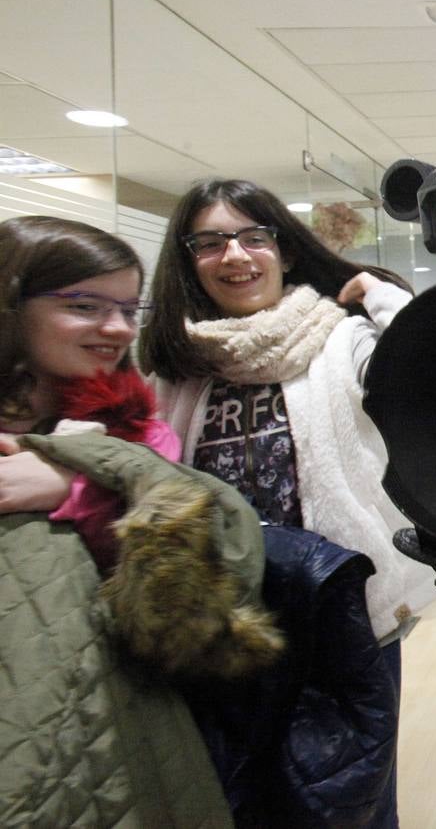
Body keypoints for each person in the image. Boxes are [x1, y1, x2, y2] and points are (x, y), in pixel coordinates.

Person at [137, 179, 436, 824]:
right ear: (188, 260)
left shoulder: (342, 340)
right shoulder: (180, 367)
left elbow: (428, 365)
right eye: (211, 243)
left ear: (286, 250)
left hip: (344, 613)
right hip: (222, 620)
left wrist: (383, 296)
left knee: (352, 798)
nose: (236, 256)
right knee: (240, 795)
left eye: (253, 237)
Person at [0, 215, 283, 827]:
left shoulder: (134, 424)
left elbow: (204, 576)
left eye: (129, 309)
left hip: (124, 705)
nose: (115, 328)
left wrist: (84, 481)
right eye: (84, 305)